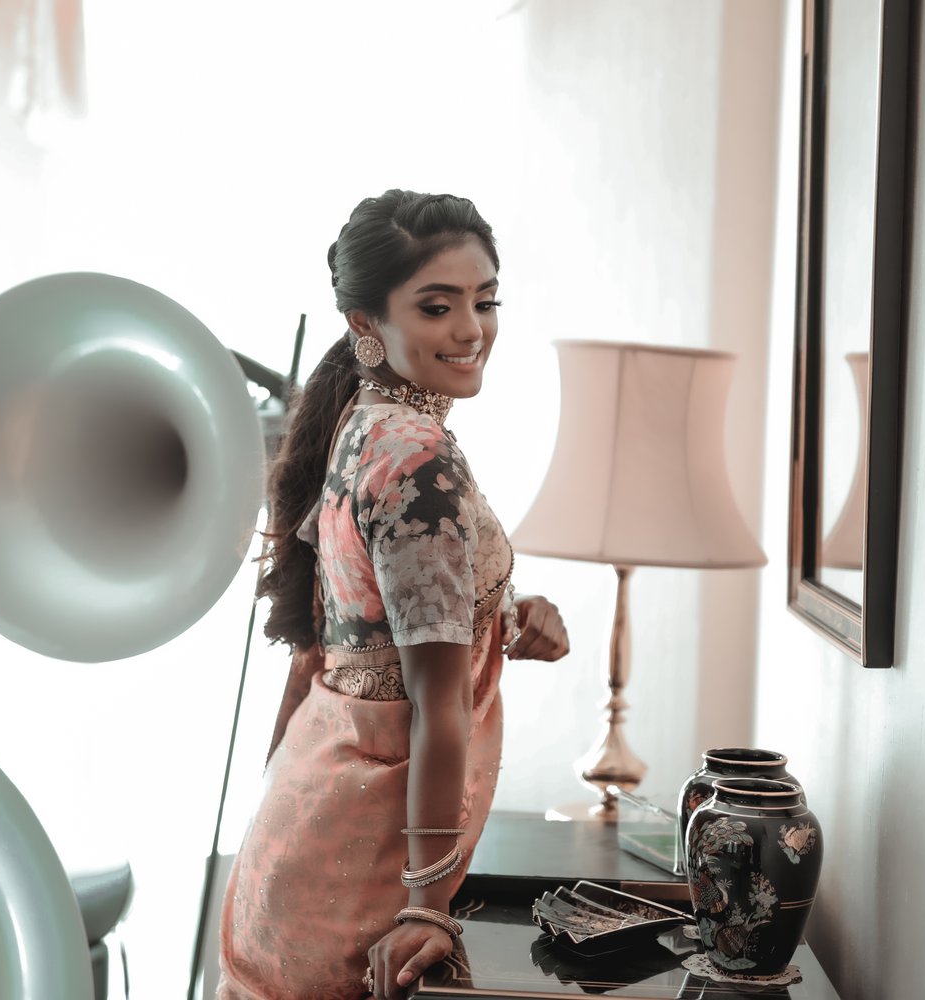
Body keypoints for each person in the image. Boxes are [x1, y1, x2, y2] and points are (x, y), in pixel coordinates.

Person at [216, 189, 571, 1000]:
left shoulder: (365, 421)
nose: (471, 328)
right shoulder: (419, 464)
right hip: (362, 864)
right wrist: (425, 907)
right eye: (438, 305)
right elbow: (435, 706)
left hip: (307, 824)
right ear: (366, 324)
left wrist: (504, 617)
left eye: (485, 301)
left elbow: (375, 620)